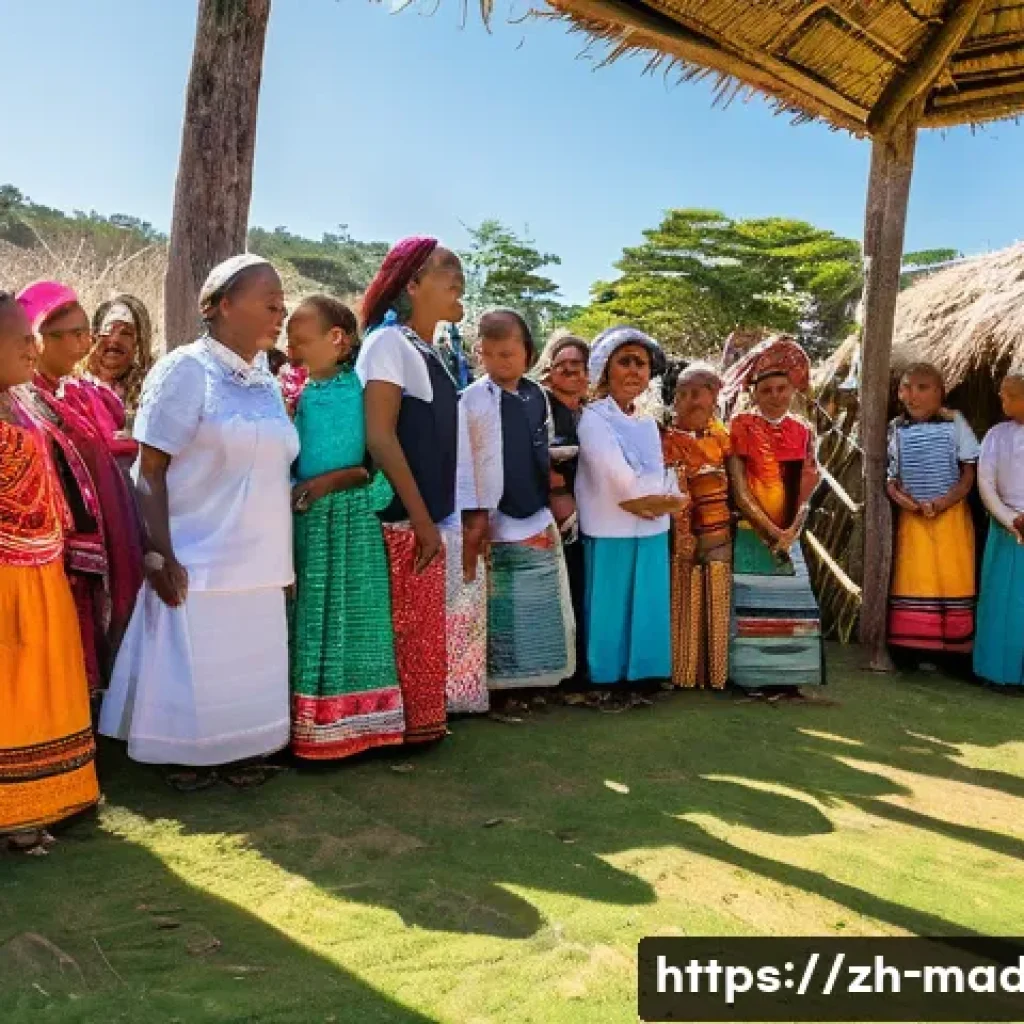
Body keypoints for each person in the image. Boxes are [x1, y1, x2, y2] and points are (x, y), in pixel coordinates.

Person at [99, 254, 299, 790]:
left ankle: (244, 751)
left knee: (245, 668)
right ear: (221, 305)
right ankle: (188, 754)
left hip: (260, 556)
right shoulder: (185, 370)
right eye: (269, 302)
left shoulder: (267, 382)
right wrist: (160, 552)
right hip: (198, 551)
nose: (280, 312)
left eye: (282, 303)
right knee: (197, 668)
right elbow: (150, 469)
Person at [357, 237, 487, 735]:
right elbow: (380, 435)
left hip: (424, 518)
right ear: (411, 284)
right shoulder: (388, 343)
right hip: (399, 520)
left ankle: (418, 725)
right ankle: (394, 728)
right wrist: (420, 518)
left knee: (420, 633)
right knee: (402, 633)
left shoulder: (426, 350)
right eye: (443, 271)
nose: (458, 277)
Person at [0, 292, 99, 854]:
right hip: (5, 579)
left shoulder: (22, 404)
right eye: (14, 336)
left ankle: (40, 801)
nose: (26, 344)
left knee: (42, 687)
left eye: (26, 334)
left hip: (41, 572)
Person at [287, 296, 405, 758]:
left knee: (354, 615)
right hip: (310, 520)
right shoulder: (302, 395)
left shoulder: (358, 390)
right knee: (313, 612)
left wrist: (324, 485)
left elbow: (367, 466)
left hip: (350, 520)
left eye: (300, 339)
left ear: (337, 339)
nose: (291, 348)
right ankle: (316, 727)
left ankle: (361, 726)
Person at [17, 281, 144, 688]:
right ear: (39, 337)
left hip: (89, 550)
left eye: (84, 331)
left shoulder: (74, 394)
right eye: (72, 334)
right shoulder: (24, 400)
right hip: (50, 554)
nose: (84, 342)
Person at [459, 310, 575, 696]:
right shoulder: (471, 400)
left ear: (527, 353)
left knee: (538, 601)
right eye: (492, 354)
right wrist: (474, 519)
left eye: (509, 353)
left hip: (534, 509)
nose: (501, 362)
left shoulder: (536, 396)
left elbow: (544, 448)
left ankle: (538, 677)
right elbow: (466, 461)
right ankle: (497, 683)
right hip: (492, 516)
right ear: (480, 353)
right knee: (498, 605)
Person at [576, 326, 677, 688]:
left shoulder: (648, 422)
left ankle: (644, 675)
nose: (635, 370)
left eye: (642, 364)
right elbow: (620, 477)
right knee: (610, 606)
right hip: (609, 527)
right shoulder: (594, 418)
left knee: (647, 602)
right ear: (605, 368)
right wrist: (660, 498)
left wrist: (661, 498)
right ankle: (606, 677)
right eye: (626, 361)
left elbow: (659, 473)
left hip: (651, 526)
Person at [724, 335, 823, 692]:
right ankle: (751, 677)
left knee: (794, 606)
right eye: (767, 391)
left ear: (792, 391)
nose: (776, 396)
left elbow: (806, 484)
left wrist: (792, 529)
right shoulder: (742, 427)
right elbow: (740, 488)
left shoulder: (802, 431)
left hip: (789, 533)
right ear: (755, 394)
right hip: (752, 532)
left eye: (782, 388)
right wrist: (770, 532)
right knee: (752, 606)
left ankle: (789, 678)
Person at [886, 362, 980, 658]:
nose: (913, 395)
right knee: (915, 574)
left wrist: (943, 502)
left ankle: (953, 649)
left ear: (940, 392)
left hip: (950, 516)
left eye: (922, 388)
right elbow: (891, 478)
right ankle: (913, 648)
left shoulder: (955, 423)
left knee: (952, 573)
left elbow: (969, 472)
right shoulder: (896, 429)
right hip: (913, 518)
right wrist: (906, 502)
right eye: (907, 387)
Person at [661, 362, 733, 689]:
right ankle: (682, 673)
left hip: (719, 532)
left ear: (713, 398)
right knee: (682, 599)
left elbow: (737, 482)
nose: (691, 401)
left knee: (717, 597)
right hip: (680, 534)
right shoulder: (665, 438)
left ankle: (715, 676)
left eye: (698, 393)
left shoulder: (723, 437)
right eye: (683, 394)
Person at [536, 330, 590, 683]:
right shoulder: (538, 405)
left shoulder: (594, 411)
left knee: (584, 587)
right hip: (548, 515)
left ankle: (582, 666)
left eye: (577, 365)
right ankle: (552, 672)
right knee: (554, 590)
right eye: (562, 365)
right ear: (549, 371)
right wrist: (556, 490)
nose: (569, 371)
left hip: (593, 516)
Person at [974, 373, 1024, 689]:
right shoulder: (996, 435)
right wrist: (1011, 518)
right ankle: (996, 673)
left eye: (1008, 395)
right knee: (1000, 600)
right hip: (1006, 527)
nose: (1001, 400)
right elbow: (985, 482)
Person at [84, 294, 155, 432]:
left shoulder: (150, 391)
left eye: (126, 333)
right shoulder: (72, 386)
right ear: (95, 335)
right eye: (108, 330)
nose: (115, 339)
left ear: (138, 343)